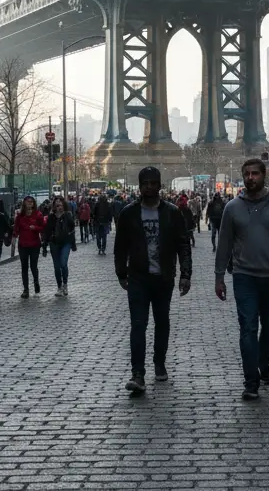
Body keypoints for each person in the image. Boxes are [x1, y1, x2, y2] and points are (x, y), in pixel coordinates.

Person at [214, 159, 269, 400]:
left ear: (264, 176)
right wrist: (219, 276)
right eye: (247, 174)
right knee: (248, 328)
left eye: (255, 173)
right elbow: (224, 245)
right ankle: (251, 380)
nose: (251, 178)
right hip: (244, 277)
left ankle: (264, 363)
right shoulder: (232, 208)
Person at [115, 167, 193, 395]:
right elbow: (120, 246)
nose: (149, 186)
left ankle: (159, 362)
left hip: (164, 278)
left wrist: (186, 275)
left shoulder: (172, 212)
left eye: (153, 182)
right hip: (138, 277)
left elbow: (183, 245)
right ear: (139, 187)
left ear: (160, 185)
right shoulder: (128, 213)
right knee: (138, 324)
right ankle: (137, 373)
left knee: (162, 322)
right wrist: (121, 272)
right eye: (145, 183)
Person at [42, 197, 78, 295]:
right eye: (57, 205)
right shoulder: (51, 217)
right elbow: (47, 232)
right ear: (54, 206)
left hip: (66, 242)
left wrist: (73, 244)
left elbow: (72, 231)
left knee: (63, 263)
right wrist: (44, 246)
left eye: (61, 205)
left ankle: (65, 284)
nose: (59, 207)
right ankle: (59, 287)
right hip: (54, 243)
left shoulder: (68, 215)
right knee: (57, 267)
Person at [11, 196, 45, 297]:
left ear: (34, 203)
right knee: (24, 267)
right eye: (27, 202)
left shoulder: (38, 215)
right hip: (23, 245)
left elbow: (43, 227)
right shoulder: (20, 216)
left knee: (33, 266)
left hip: (35, 244)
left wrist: (35, 228)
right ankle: (26, 289)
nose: (29, 203)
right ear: (24, 203)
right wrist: (13, 236)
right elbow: (16, 229)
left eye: (31, 202)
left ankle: (36, 282)